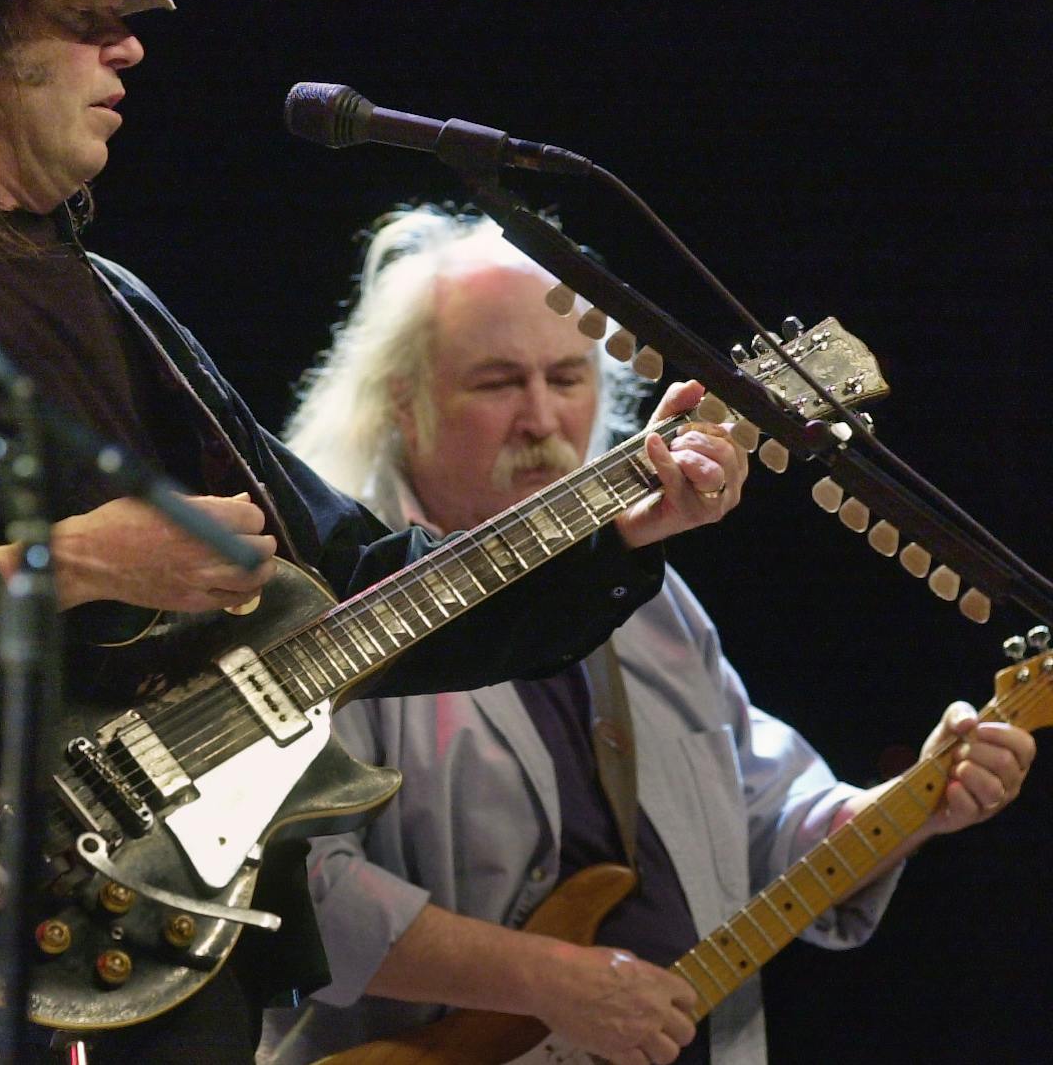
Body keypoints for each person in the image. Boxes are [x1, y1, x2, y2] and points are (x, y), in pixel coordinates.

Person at [0, 0, 753, 1063]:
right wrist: (82, 562)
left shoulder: (115, 300)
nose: (131, 51)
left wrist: (620, 523)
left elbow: (347, 585)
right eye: (86, 21)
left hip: (185, 946)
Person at [259, 205, 1036, 1065]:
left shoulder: (650, 601)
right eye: (496, 382)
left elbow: (766, 816)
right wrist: (544, 980)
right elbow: (291, 885)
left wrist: (914, 803)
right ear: (403, 405)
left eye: (566, 376)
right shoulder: (339, 610)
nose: (542, 418)